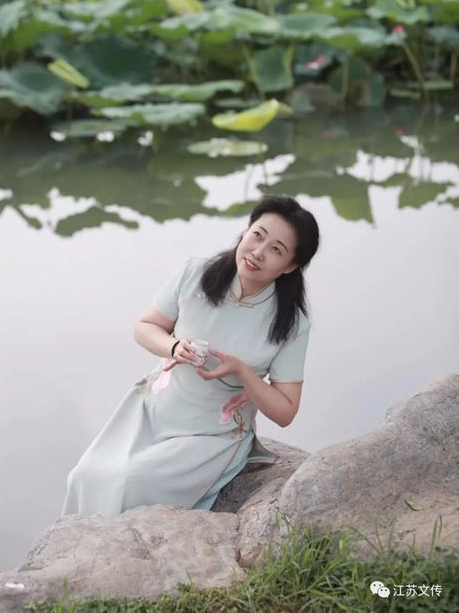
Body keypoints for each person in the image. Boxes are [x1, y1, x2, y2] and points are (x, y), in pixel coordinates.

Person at [61, 194, 320, 517]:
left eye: (276, 250)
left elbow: (285, 411)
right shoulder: (196, 273)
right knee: (84, 476)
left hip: (211, 433)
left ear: (290, 266)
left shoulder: (292, 325)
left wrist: (241, 372)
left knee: (128, 481)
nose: (258, 252)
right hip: (155, 409)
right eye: (258, 235)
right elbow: (145, 327)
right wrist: (173, 346)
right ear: (246, 230)